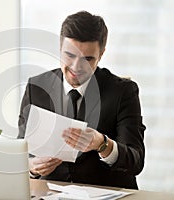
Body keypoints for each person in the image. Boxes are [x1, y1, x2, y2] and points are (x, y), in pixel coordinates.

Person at [18, 11, 146, 189]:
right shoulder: (36, 87)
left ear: (101, 55)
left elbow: (136, 160)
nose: (76, 67)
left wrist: (102, 144)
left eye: (87, 58)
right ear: (60, 48)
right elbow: (20, 154)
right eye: (70, 55)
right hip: (50, 194)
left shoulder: (123, 92)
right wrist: (32, 167)